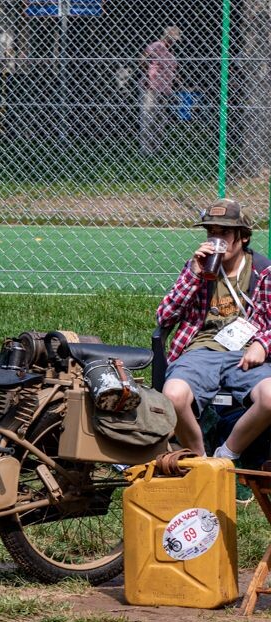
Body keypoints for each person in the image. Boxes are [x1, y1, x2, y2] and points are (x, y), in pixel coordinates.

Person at [156, 198, 271, 461]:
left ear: (242, 237)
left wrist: (262, 344)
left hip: (244, 353)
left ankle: (226, 454)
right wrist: (194, 275)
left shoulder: (263, 271)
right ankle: (200, 461)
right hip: (200, 350)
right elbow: (164, 317)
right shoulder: (197, 267)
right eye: (211, 232)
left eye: (224, 233)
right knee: (173, 396)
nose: (215, 239)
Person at [138, 26, 180, 154]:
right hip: (151, 87)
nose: (173, 41)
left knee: (160, 120)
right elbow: (142, 59)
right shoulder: (157, 45)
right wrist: (147, 74)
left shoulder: (171, 53)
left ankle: (157, 149)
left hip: (165, 89)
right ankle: (146, 150)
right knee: (148, 118)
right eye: (172, 38)